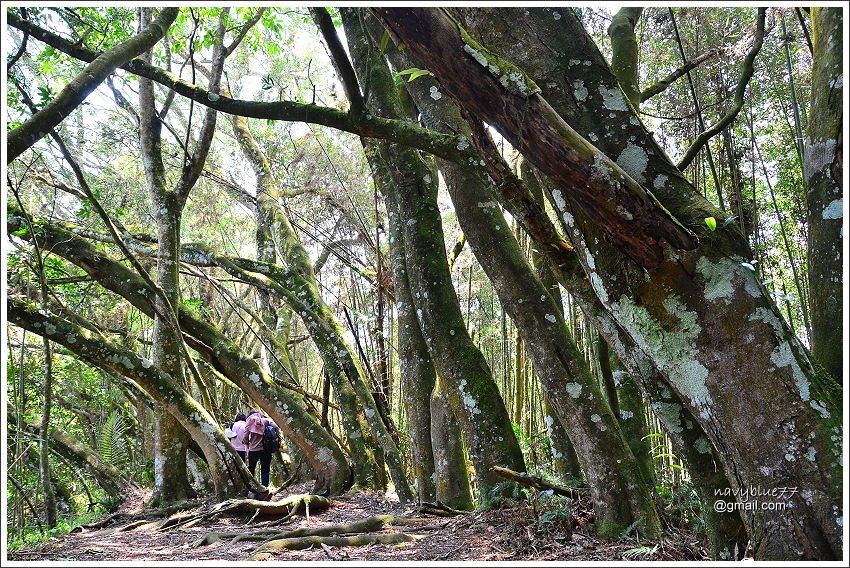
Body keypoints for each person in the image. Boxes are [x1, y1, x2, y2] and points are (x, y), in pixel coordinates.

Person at [241, 408, 273, 486]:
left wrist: (247, 443)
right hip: (266, 449)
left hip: (253, 450)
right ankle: (265, 487)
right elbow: (276, 429)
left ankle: (251, 486)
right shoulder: (266, 421)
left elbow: (245, 437)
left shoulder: (249, 423)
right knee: (265, 470)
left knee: (251, 469)